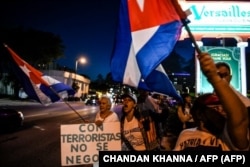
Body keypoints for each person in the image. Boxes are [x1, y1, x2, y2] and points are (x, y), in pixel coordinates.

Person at [173, 52, 249, 151]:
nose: (222, 111)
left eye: (223, 107)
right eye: (215, 107)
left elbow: (240, 118)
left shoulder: (229, 136)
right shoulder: (185, 134)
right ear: (200, 113)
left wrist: (214, 77)